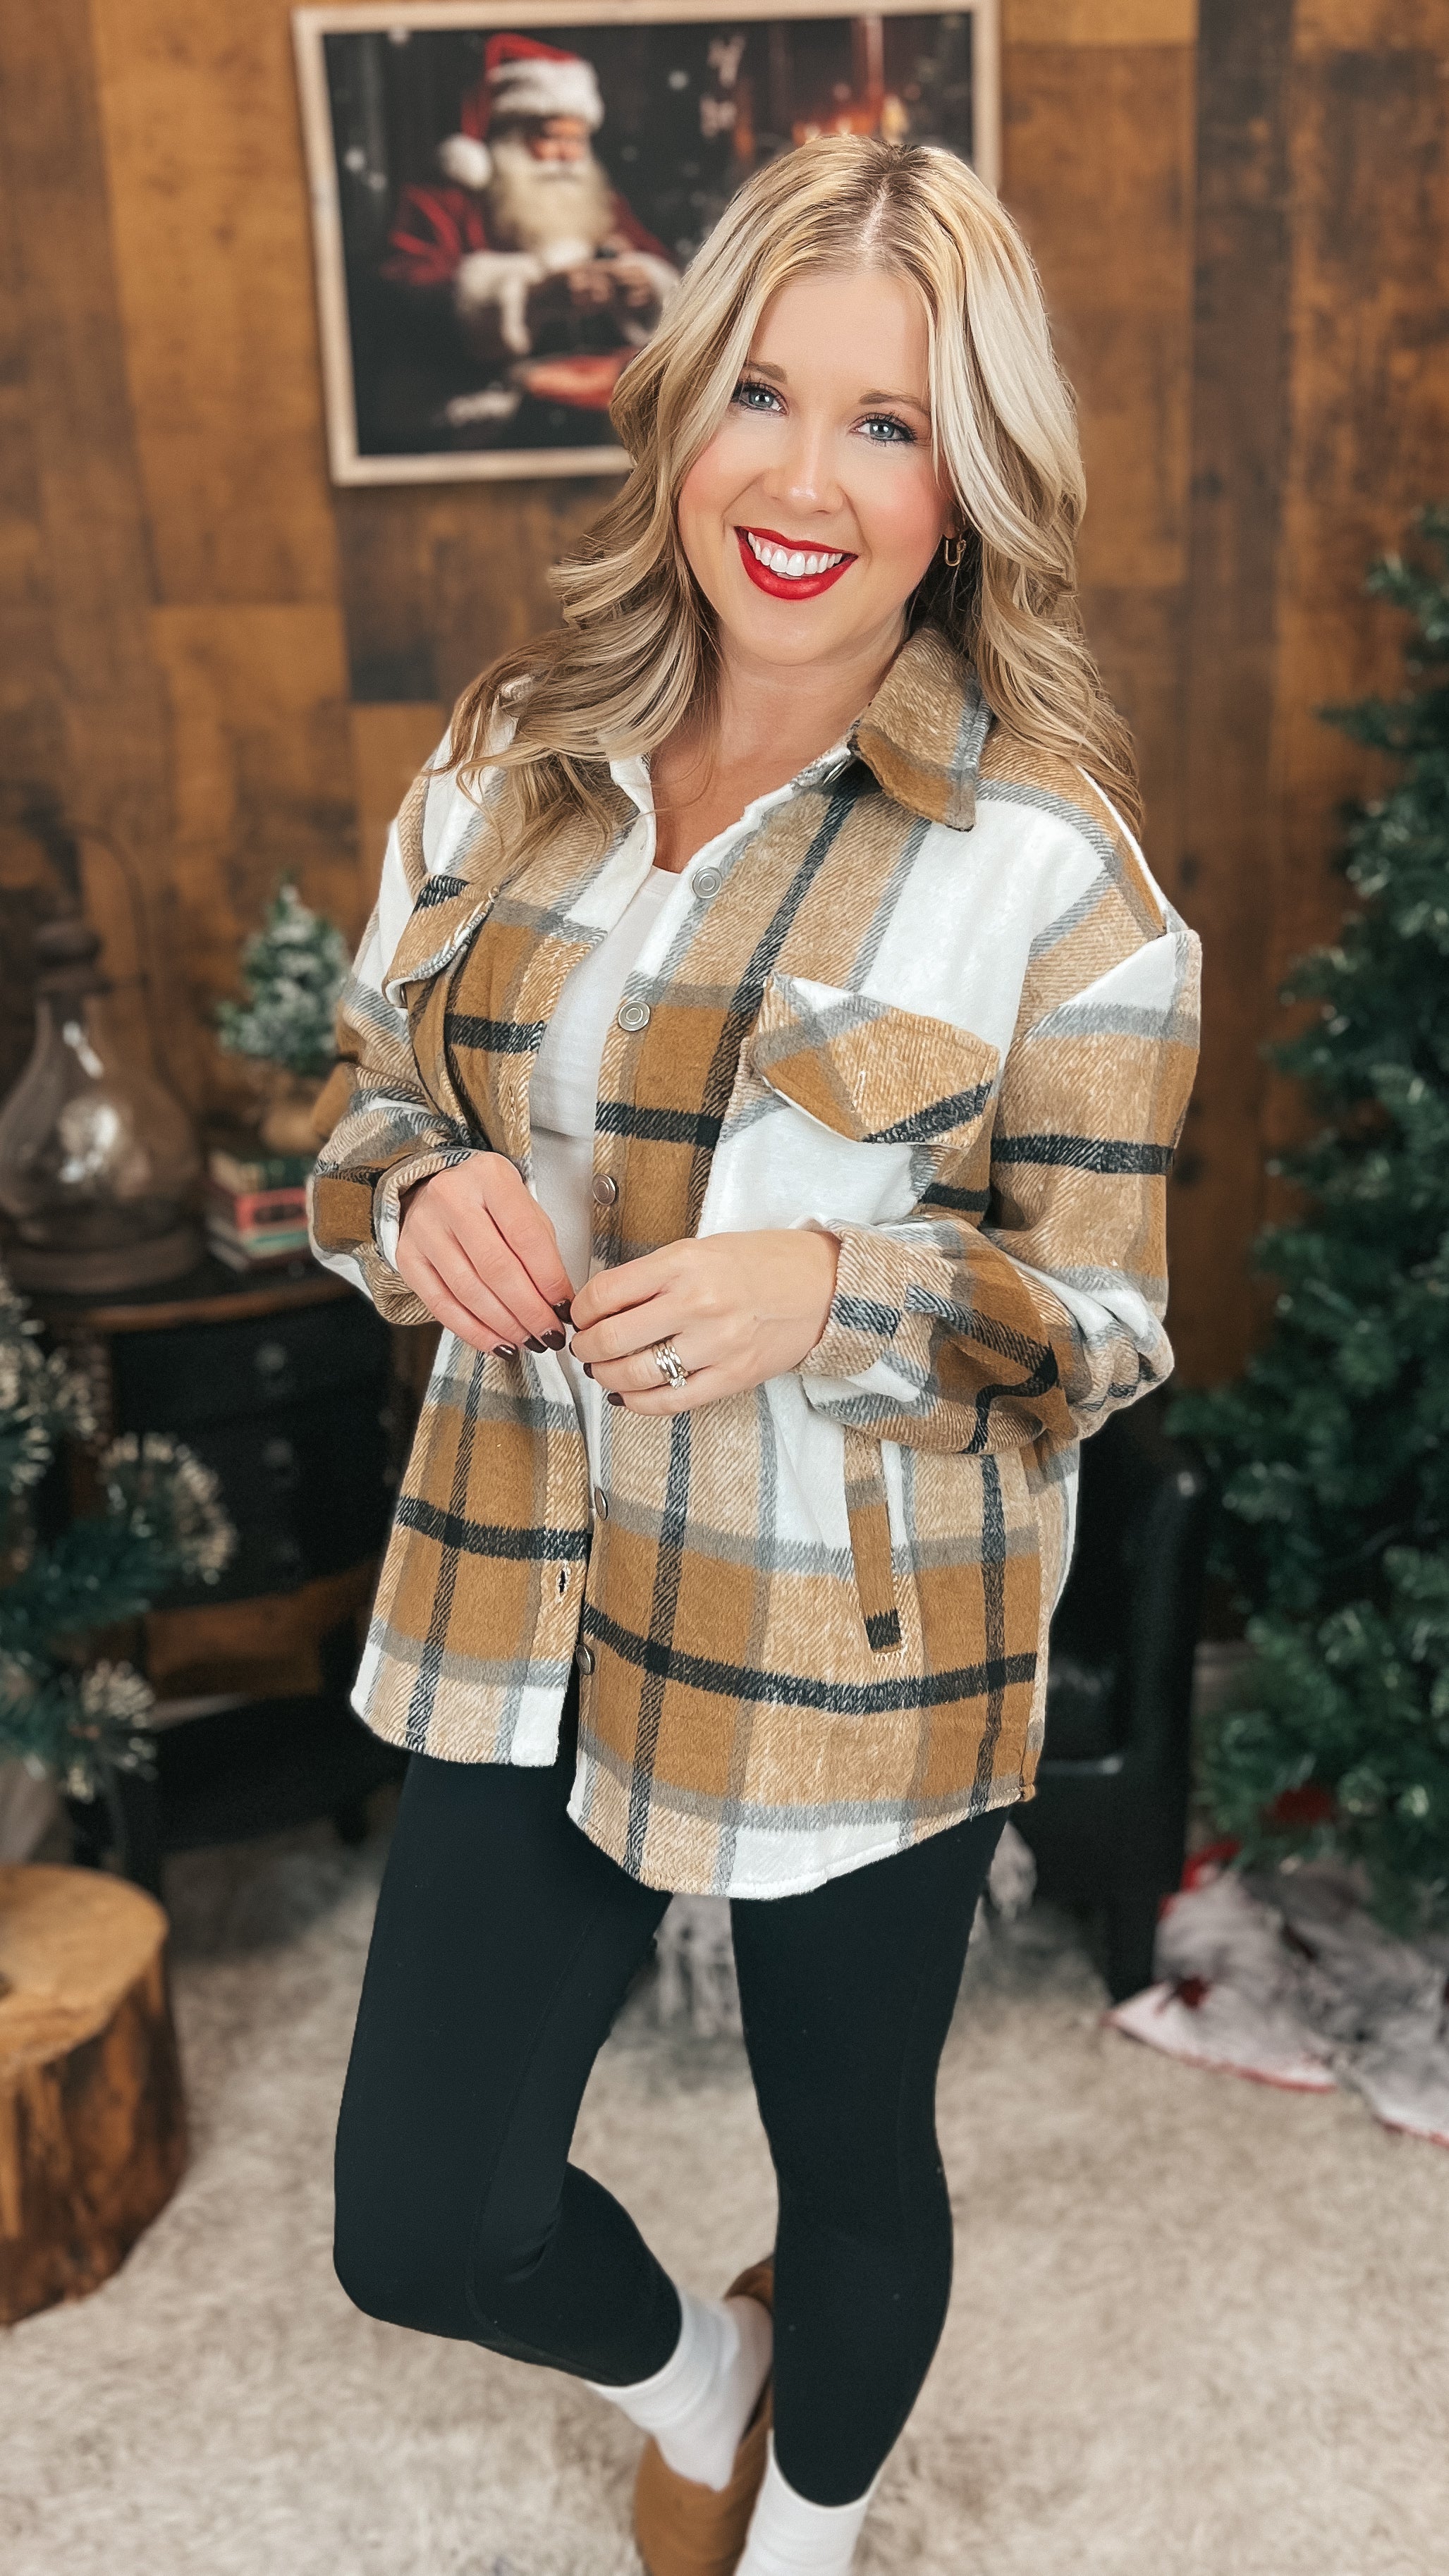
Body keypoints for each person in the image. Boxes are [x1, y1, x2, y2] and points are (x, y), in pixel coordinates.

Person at [311, 135, 1200, 2576]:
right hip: (521, 1582)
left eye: (886, 424)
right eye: (763, 397)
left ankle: (803, 2537)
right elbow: (360, 1116)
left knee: (854, 2164)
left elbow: (1101, 1320)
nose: (803, 484)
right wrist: (418, 1192)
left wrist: (835, 1289)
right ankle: (706, 2382)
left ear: (966, 485)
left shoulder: (1051, 873)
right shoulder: (503, 764)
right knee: (422, 2215)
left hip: (855, 1634)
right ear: (680, 408)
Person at [384, 33, 677, 383]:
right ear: (510, 138)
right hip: (482, 390)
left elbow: (666, 270)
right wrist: (531, 296)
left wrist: (645, 285)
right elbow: (404, 299)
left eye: (577, 139)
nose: (567, 155)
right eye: (550, 137)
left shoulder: (602, 201)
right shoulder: (444, 200)